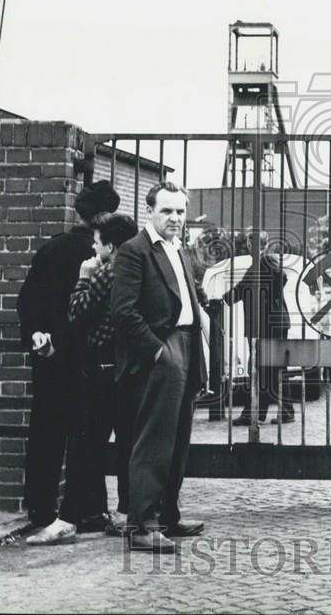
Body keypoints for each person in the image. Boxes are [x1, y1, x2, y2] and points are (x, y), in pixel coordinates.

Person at [18, 180, 120, 545]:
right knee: (87, 438)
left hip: (50, 357)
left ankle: (40, 507)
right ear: (108, 213)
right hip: (91, 362)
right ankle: (91, 509)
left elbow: (26, 303)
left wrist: (36, 336)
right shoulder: (110, 257)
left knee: (46, 432)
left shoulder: (51, 251)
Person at [111, 181, 209, 554]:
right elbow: (123, 311)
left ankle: (168, 515)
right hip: (161, 350)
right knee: (153, 441)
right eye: (167, 210)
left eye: (180, 211)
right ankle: (142, 524)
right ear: (149, 211)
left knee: (179, 437)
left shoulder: (179, 250)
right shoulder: (134, 251)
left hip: (185, 345)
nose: (175, 218)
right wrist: (156, 352)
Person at [67, 212, 139, 537]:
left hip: (102, 365)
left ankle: (92, 511)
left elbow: (78, 313)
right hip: (131, 365)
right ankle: (127, 511)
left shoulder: (106, 271)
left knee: (92, 441)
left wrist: (84, 276)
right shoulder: (140, 269)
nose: (94, 249)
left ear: (110, 245)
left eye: (97, 243)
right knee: (129, 441)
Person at [225, 229, 293, 426]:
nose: (247, 246)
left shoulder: (264, 262)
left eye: (248, 243)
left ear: (252, 245)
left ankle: (255, 413)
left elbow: (242, 288)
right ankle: (263, 411)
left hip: (267, 324)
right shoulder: (262, 263)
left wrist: (225, 299)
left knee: (263, 367)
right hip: (270, 323)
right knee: (268, 368)